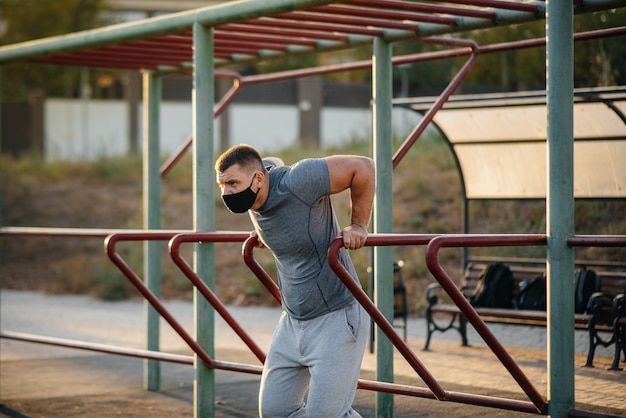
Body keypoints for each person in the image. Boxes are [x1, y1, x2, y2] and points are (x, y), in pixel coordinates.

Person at [215, 144, 375, 417]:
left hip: (336, 316)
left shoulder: (299, 180)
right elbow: (271, 161)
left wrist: (359, 225)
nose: (226, 192)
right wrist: (266, 236)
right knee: (276, 411)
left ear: (258, 179)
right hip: (293, 321)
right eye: (222, 185)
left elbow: (363, 167)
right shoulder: (256, 190)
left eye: (232, 183)